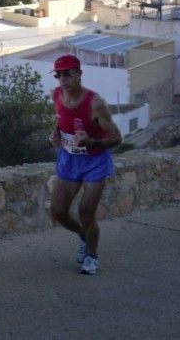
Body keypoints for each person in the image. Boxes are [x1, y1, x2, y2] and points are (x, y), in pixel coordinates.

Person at [48, 54, 122, 275]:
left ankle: (91, 255)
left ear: (79, 74)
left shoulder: (96, 103)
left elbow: (117, 138)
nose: (63, 78)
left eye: (69, 73)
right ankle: (83, 234)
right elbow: (61, 121)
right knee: (58, 212)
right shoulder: (56, 95)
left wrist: (92, 142)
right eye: (59, 74)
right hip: (69, 158)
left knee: (86, 212)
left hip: (94, 160)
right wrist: (55, 135)